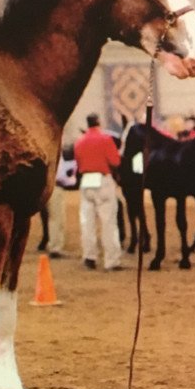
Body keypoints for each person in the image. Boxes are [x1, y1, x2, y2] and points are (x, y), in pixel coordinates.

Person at [74, 113, 123, 271]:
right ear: (99, 122)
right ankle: (111, 260)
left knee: (87, 222)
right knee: (108, 222)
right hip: (103, 180)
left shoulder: (79, 142)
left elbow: (78, 162)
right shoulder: (105, 139)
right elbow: (115, 161)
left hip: (86, 180)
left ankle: (89, 257)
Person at [45, 145, 78, 259]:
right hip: (56, 187)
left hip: (56, 187)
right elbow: (60, 176)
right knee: (56, 218)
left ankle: (55, 244)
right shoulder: (56, 156)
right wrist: (72, 180)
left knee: (56, 218)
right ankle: (55, 246)